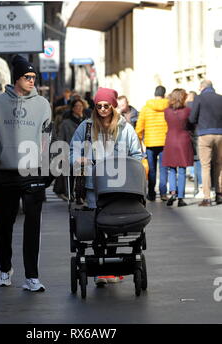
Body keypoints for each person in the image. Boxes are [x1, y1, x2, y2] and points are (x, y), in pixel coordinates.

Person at [0, 55, 52, 291]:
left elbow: (47, 139)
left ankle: (32, 277)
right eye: (28, 77)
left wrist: (47, 172)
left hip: (32, 171)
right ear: (17, 78)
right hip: (5, 173)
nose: (32, 80)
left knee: (33, 225)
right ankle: (5, 269)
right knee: (3, 225)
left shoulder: (43, 105)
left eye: (34, 77)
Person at [70, 87, 143, 286]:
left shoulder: (124, 128)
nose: (102, 109)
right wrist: (79, 160)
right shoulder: (85, 127)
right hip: (94, 185)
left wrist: (127, 165)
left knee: (113, 226)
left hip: (119, 186)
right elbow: (71, 152)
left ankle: (110, 267)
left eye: (106, 106)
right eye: (99, 106)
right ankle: (101, 267)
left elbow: (137, 154)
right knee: (96, 227)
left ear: (113, 105)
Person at [189, 80, 222, 206]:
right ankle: (219, 194)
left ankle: (207, 198)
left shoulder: (199, 98)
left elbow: (192, 118)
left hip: (205, 134)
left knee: (206, 166)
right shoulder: (220, 98)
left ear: (202, 87)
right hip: (220, 134)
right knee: (219, 164)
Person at [135, 86, 169, 201]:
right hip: (165, 142)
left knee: (152, 169)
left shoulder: (146, 108)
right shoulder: (168, 107)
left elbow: (139, 126)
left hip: (150, 143)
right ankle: (163, 193)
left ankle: (151, 193)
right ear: (164, 94)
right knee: (164, 168)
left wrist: (138, 140)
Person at [162, 88, 194, 207]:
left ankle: (173, 193)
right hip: (183, 140)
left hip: (170, 140)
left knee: (171, 169)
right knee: (182, 170)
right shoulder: (187, 111)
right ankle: (180, 197)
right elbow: (191, 124)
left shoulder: (166, 111)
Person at [54, 98, 87, 202]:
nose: (79, 108)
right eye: (77, 106)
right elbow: (60, 138)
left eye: (81, 106)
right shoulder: (66, 123)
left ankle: (81, 195)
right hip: (70, 152)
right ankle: (71, 194)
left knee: (83, 175)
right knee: (71, 175)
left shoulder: (87, 122)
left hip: (85, 153)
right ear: (72, 108)